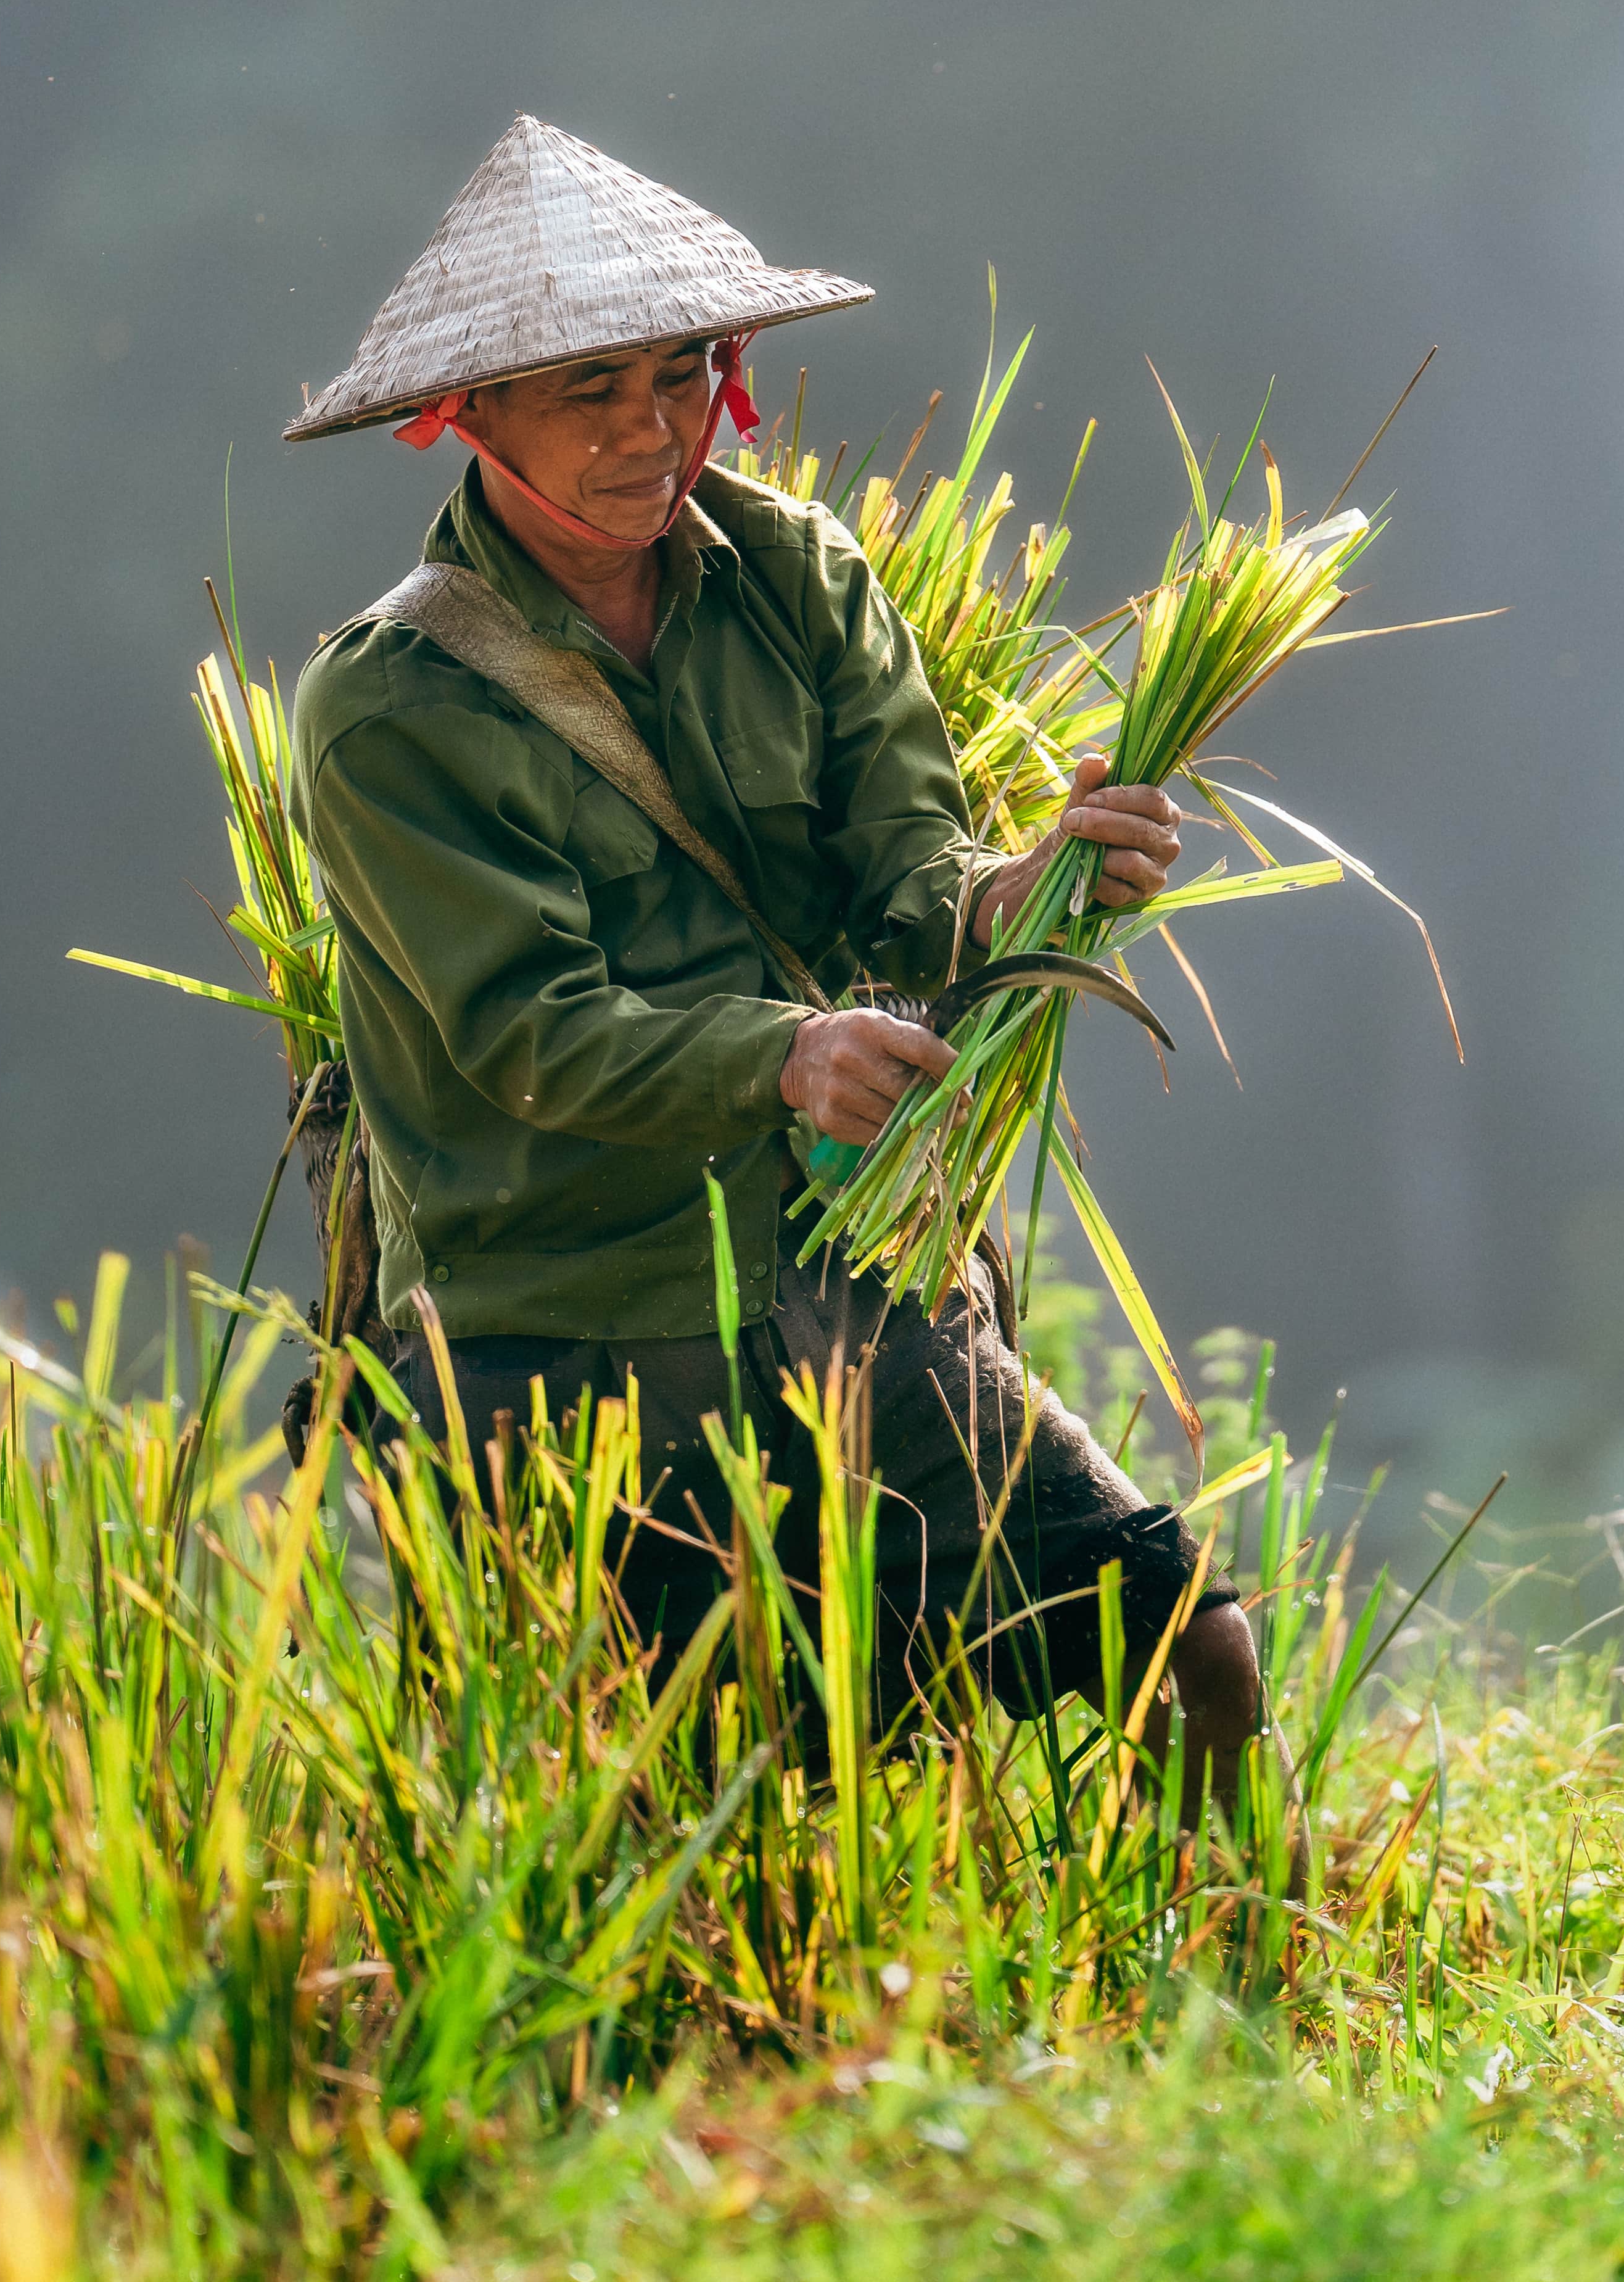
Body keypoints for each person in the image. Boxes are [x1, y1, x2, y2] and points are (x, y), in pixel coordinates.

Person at [279, 115, 1264, 1804]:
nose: (647, 430)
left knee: (1195, 1645)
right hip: (575, 1328)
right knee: (701, 1790)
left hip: (831, 1268)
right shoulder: (390, 704)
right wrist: (780, 1056)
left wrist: (1026, 888)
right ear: (470, 416)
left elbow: (908, 876)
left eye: (679, 373)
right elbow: (531, 1033)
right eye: (588, 389)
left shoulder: (800, 579)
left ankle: (1238, 1976)